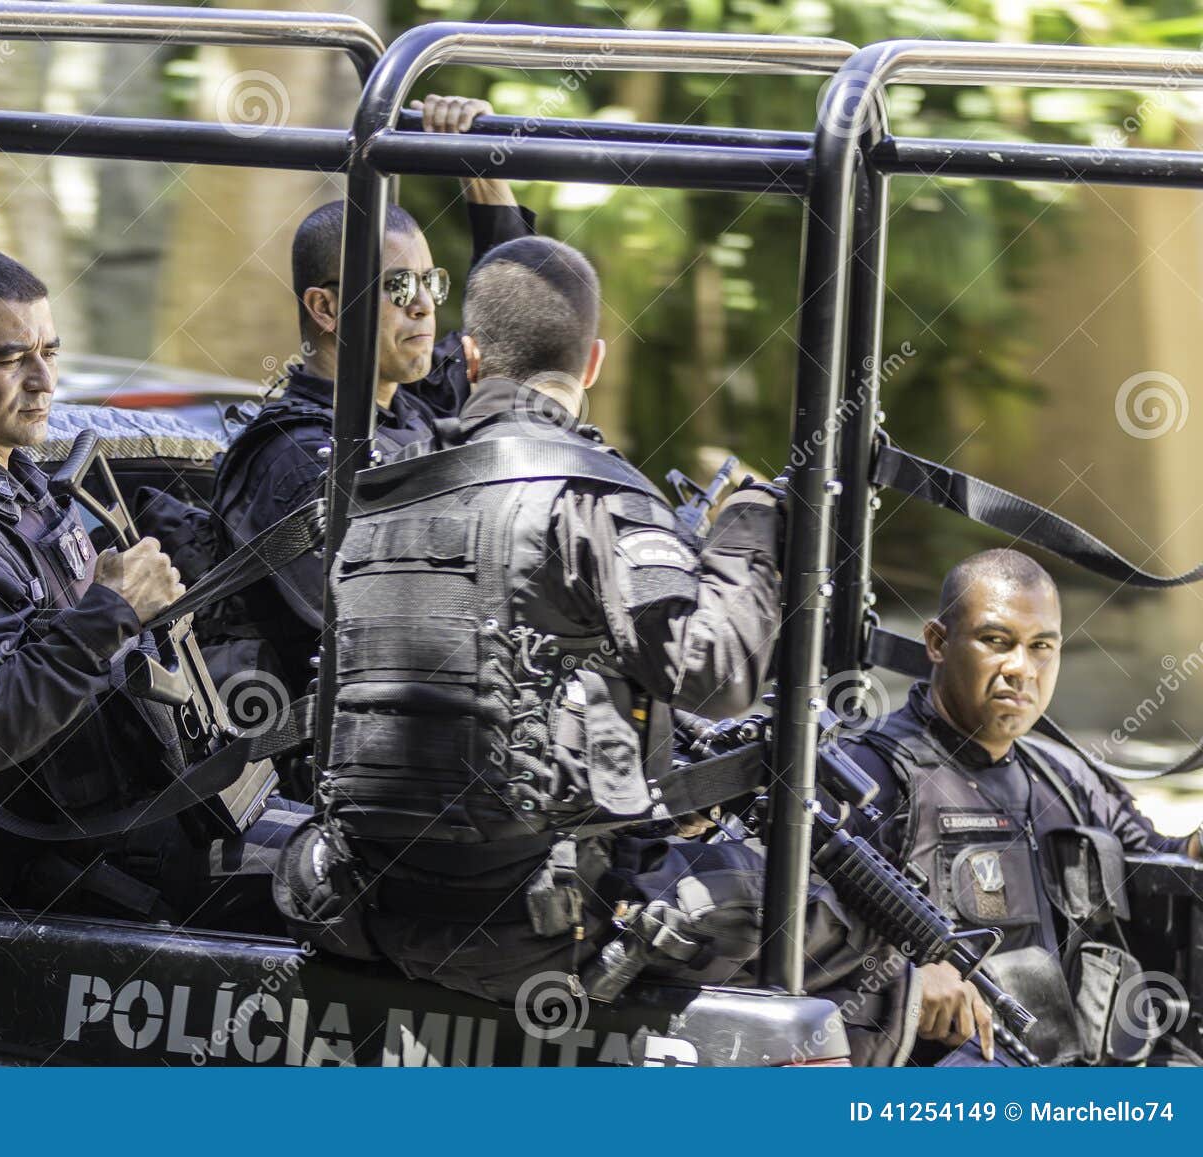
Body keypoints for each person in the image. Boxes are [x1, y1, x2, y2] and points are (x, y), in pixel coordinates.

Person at [274, 235, 872, 1007]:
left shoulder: (379, 492)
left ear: (472, 356)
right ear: (593, 363)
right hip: (537, 934)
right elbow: (717, 672)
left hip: (369, 909)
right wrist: (750, 527)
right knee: (849, 922)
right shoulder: (595, 497)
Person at [0, 243, 299, 932]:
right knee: (348, 893)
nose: (42, 380)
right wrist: (113, 608)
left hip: (158, 823)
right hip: (92, 880)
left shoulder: (11, 482)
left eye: (49, 353)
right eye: (10, 358)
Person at [203, 94, 537, 699]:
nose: (425, 305)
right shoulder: (295, 457)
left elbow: (516, 330)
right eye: (399, 286)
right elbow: (385, 625)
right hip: (338, 757)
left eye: (432, 283)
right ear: (326, 308)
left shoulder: (415, 401)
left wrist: (483, 173)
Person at [839, 548, 1203, 1065]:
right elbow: (800, 928)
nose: (1021, 668)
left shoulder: (1066, 776)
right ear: (938, 642)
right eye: (996, 641)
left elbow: (1160, 866)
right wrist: (904, 976)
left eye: (1041, 647)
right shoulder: (871, 772)